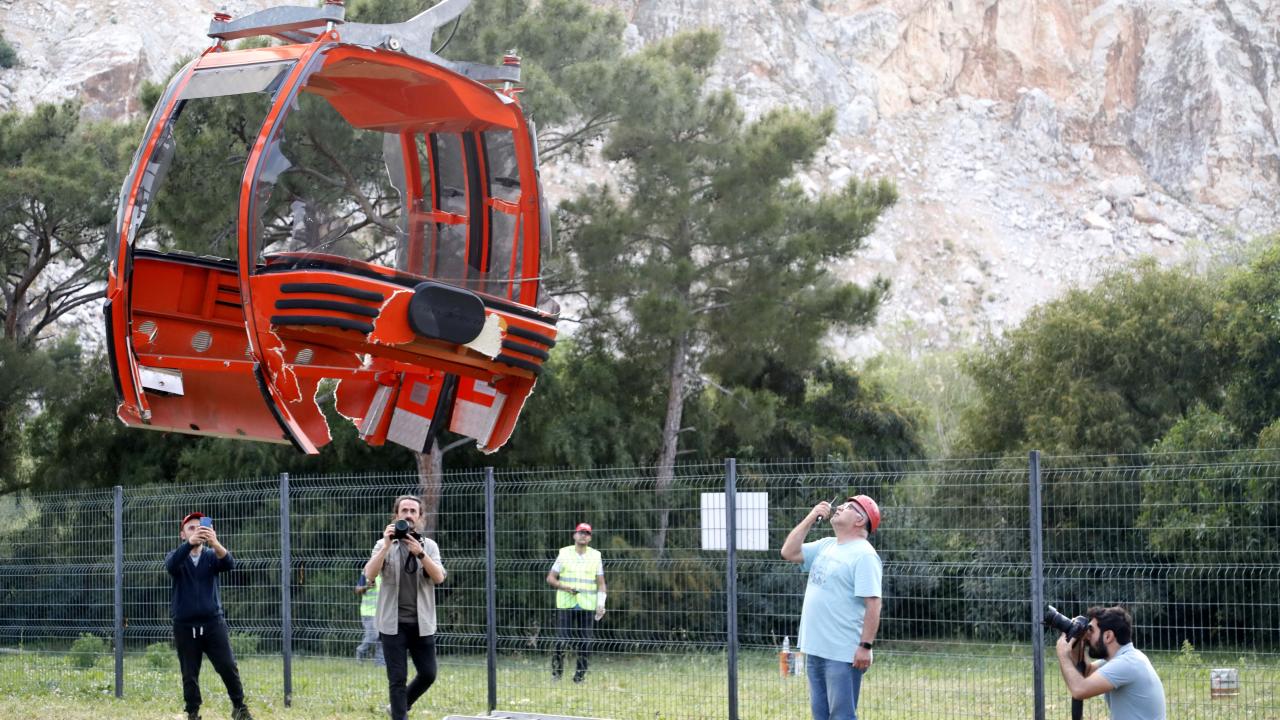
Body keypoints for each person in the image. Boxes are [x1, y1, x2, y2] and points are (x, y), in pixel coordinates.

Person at [781, 495, 883, 720]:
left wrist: (865, 646)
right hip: (815, 648)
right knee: (821, 716)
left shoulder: (864, 555)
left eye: (848, 507)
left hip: (842, 653)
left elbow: (873, 603)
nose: (839, 507)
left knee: (842, 716)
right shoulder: (826, 545)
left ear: (859, 520)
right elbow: (788, 552)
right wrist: (811, 517)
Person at [164, 512, 254, 720]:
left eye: (200, 527)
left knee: (227, 666)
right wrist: (189, 546)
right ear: (182, 535)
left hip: (213, 623)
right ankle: (193, 712)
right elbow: (170, 566)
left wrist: (215, 542)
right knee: (189, 673)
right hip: (185, 625)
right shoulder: (176, 556)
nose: (196, 531)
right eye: (191, 528)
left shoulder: (212, 556)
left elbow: (230, 563)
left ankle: (239, 707)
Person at [364, 495, 446, 720]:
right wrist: (386, 546)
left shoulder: (429, 546)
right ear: (396, 515)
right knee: (397, 679)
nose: (408, 515)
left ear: (420, 517)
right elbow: (368, 575)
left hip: (422, 623)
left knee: (428, 674)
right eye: (404, 511)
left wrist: (420, 553)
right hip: (392, 624)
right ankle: (400, 716)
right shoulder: (383, 544)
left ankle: (399, 706)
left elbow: (439, 577)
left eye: (413, 511)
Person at [1055, 605, 1167, 720]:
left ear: (1108, 636)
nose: (1087, 635)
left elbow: (1079, 690)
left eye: (1091, 631)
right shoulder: (1127, 658)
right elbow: (1086, 672)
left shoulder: (1127, 663)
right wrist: (1078, 641)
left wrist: (1063, 655)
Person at [545, 521, 607, 683]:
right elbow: (550, 578)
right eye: (581, 532)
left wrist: (601, 604)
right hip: (566, 603)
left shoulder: (596, 556)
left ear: (590, 538)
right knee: (561, 641)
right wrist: (564, 587)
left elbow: (601, 583)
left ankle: (579, 677)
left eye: (587, 533)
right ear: (574, 535)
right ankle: (556, 674)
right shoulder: (564, 553)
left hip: (587, 605)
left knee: (585, 643)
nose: (583, 535)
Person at [355, 571, 385, 666]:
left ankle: (380, 663)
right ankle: (361, 651)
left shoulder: (386, 573)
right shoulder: (367, 573)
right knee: (373, 635)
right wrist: (367, 586)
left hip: (383, 612)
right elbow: (357, 590)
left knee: (382, 637)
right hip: (368, 612)